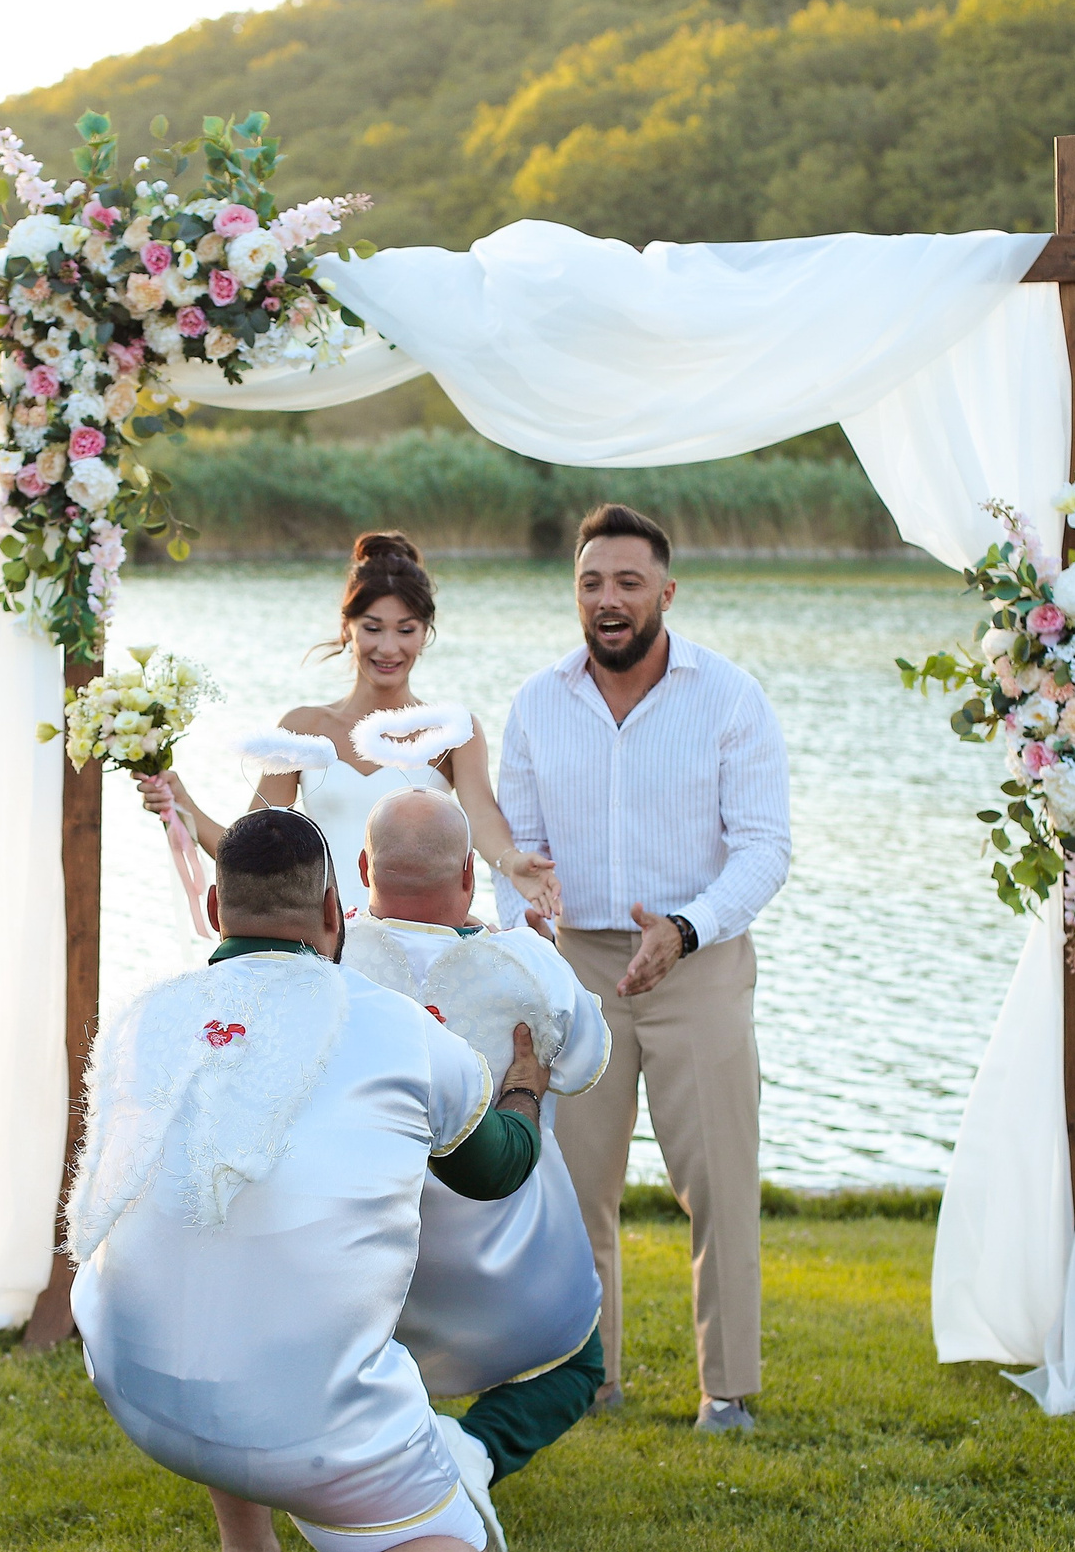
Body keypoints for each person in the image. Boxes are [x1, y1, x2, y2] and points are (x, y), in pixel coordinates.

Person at [68, 807, 553, 1552]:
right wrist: (524, 1086)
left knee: (217, 1225)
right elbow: (498, 1172)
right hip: (308, 1422)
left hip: (136, 1383)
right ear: (336, 913)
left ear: (214, 908)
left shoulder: (142, 1019)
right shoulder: (401, 1029)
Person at [495, 503, 791, 1436]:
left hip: (697, 962)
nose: (609, 599)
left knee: (719, 1182)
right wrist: (524, 914)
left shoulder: (729, 697)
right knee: (576, 1187)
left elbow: (765, 847)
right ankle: (590, 1378)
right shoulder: (537, 703)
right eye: (591, 583)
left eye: (628, 582)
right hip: (577, 966)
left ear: (667, 591)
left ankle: (727, 1392)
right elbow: (514, 850)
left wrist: (688, 928)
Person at [342, 788, 610, 1500]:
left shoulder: (327, 961)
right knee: (579, 1362)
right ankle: (474, 1448)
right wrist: (544, 960)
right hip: (503, 1266)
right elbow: (583, 1063)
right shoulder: (526, 964)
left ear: (364, 867)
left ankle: (382, 1460)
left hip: (365, 1273)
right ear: (468, 873)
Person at [138, 531, 562, 924]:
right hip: (323, 939)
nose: (388, 648)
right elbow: (251, 852)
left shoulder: (451, 731)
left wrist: (512, 862)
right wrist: (183, 806)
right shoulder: (303, 727)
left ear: (425, 633)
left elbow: (481, 816)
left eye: (406, 630)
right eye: (372, 628)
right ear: (347, 627)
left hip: (417, 938)